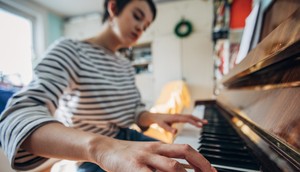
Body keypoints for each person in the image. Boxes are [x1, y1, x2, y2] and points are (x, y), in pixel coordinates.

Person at [0, 0, 217, 171]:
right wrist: (100, 147)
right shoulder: (70, 50)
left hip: (127, 140)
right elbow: (14, 118)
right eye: (137, 16)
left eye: (146, 25)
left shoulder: (125, 65)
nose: (141, 27)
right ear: (113, 7)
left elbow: (134, 112)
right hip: (90, 157)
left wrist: (151, 117)